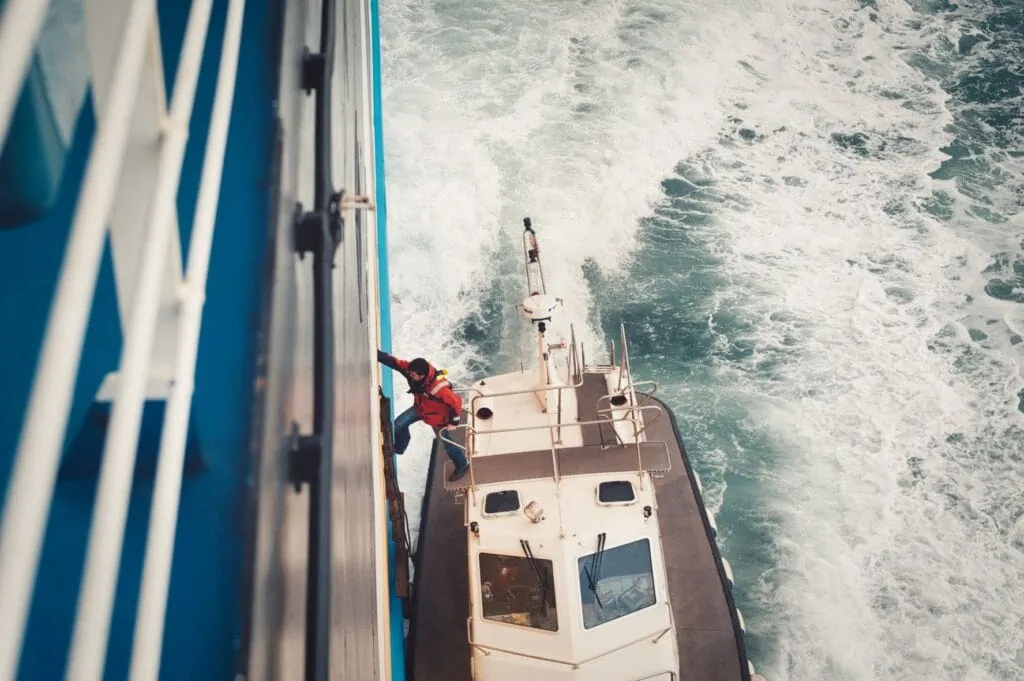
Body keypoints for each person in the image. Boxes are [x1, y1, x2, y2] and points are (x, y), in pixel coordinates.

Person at [378, 350, 470, 482]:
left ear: (421, 376)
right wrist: (375, 354)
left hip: (438, 418)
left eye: (413, 375)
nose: (410, 375)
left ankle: (462, 465)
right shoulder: (412, 370)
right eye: (410, 373)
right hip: (420, 409)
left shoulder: (439, 389)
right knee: (398, 424)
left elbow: (456, 402)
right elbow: (394, 362)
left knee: (446, 443)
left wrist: (453, 423)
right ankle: (399, 447)